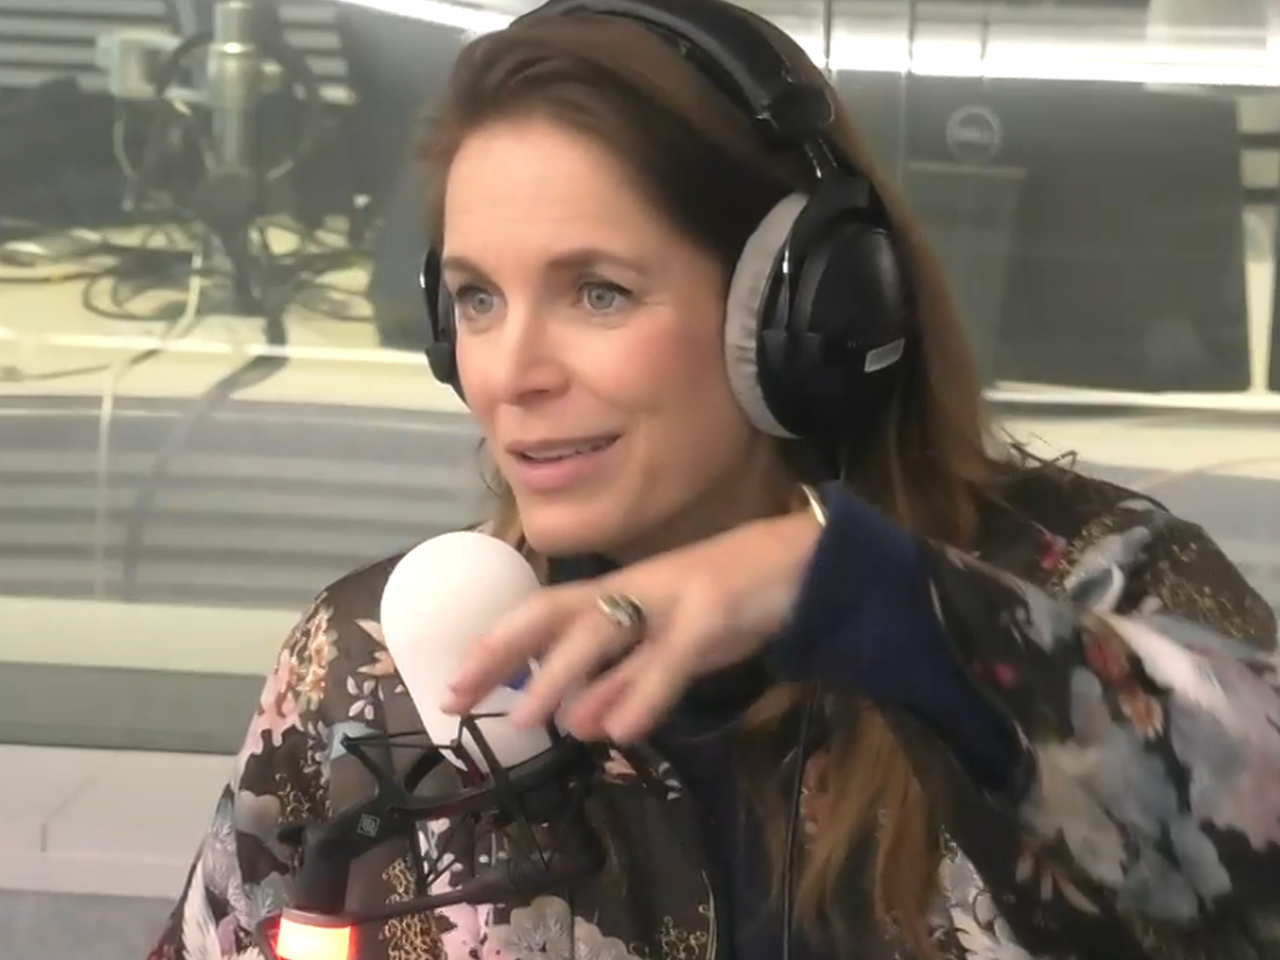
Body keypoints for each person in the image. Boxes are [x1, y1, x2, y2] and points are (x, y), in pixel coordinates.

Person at [146, 1, 1280, 959]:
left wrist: (888, 606)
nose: (508, 373)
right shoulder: (377, 668)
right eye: (477, 299)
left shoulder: (1101, 586)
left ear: (803, 317)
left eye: (597, 292)